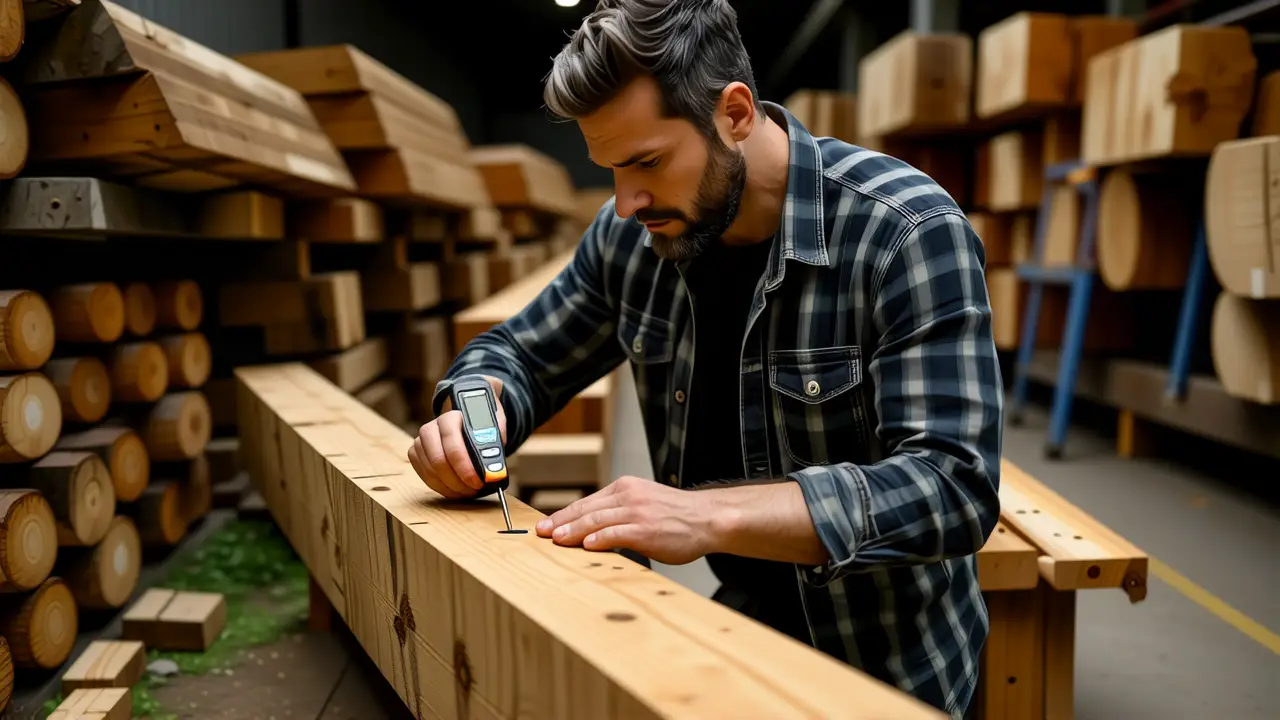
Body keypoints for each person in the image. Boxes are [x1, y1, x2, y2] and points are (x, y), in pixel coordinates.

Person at [406, 0, 1002, 716]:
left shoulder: (906, 231)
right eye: (608, 169)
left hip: (890, 670)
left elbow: (953, 486)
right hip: (736, 631)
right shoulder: (629, 236)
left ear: (737, 114)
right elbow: (515, 354)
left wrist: (705, 516)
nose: (625, 203)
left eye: (646, 163)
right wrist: (474, 411)